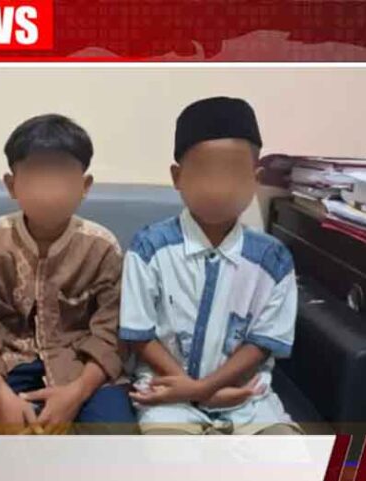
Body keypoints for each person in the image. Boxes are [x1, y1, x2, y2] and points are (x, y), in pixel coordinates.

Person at [0, 114, 135, 434]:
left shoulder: (101, 247)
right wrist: (1, 396)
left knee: (116, 434)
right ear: (11, 185)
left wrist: (76, 393)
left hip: (79, 368)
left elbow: (110, 334)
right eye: (36, 175)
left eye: (61, 176)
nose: (49, 189)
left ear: (84, 186)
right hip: (0, 365)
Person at [120, 96, 301, 435]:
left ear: (254, 178)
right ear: (178, 177)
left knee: (290, 453)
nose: (218, 188)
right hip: (167, 392)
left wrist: (204, 389)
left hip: (246, 397)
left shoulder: (273, 260)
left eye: (232, 173)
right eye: (204, 172)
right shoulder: (148, 248)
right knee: (166, 453)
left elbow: (262, 341)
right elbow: (140, 334)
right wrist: (191, 390)